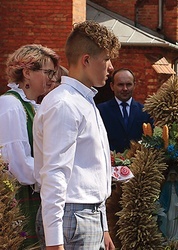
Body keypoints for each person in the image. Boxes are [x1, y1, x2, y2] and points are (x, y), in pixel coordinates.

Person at [33, 20, 120, 249]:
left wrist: (103, 227)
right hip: (72, 217)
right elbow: (54, 174)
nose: (111, 67)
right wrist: (54, 243)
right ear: (87, 60)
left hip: (87, 216)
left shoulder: (83, 101)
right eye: (106, 59)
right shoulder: (64, 104)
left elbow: (92, 169)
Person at [0, 44, 59, 249]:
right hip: (19, 199)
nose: (52, 78)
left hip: (34, 194)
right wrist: (55, 176)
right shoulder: (10, 105)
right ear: (27, 73)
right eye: (48, 72)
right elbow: (16, 164)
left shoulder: (33, 106)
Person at [97, 68, 153, 153]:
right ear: (112, 86)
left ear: (134, 85)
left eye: (128, 84)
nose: (125, 89)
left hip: (139, 163)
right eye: (120, 85)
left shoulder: (145, 111)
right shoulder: (101, 110)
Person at [159, 169, 178, 240]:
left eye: (174, 176)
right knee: (170, 217)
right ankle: (169, 234)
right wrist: (160, 202)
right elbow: (163, 195)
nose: (173, 178)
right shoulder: (166, 185)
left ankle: (176, 235)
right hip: (169, 203)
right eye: (172, 176)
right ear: (169, 176)